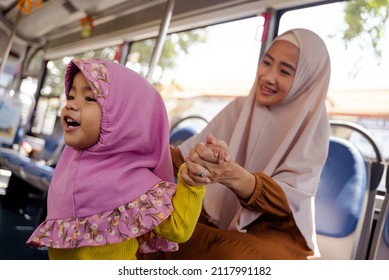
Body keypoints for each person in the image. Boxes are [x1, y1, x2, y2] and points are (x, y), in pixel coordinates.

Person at [142, 28, 331, 260]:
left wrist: (231, 175)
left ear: (307, 79)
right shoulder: (240, 107)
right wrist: (138, 144)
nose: (268, 76)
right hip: (214, 215)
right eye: (267, 63)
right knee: (152, 227)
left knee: (235, 255)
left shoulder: (313, 125)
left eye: (285, 71)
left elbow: (288, 200)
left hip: (273, 230)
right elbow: (184, 156)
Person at [26, 58, 205, 260]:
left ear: (123, 118)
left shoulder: (136, 184)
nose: (71, 106)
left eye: (89, 99)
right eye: (71, 96)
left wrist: (193, 182)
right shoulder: (68, 164)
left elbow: (178, 229)